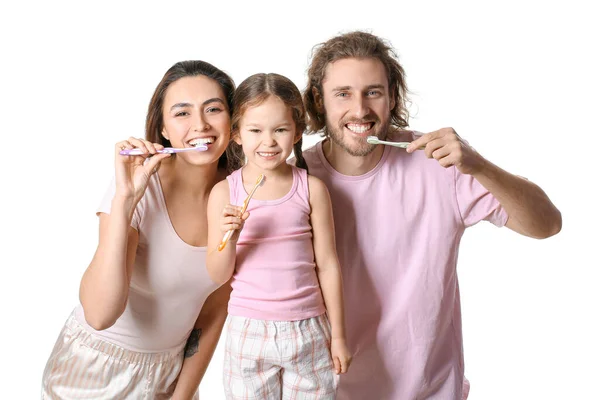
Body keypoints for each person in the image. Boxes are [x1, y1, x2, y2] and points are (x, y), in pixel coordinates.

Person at [300, 31, 562, 400]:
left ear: (392, 96)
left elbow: (547, 225)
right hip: (327, 392)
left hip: (431, 392)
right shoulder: (297, 178)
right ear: (318, 99)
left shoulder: (440, 163)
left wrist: (478, 166)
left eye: (373, 92)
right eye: (343, 93)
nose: (359, 110)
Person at [41, 60, 242, 399]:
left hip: (169, 373)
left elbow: (213, 310)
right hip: (96, 370)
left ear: (233, 121)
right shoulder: (138, 189)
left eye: (213, 109)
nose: (200, 125)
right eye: (182, 113)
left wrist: (182, 395)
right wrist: (123, 203)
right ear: (162, 128)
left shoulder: (240, 195)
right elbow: (101, 314)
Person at [206, 73, 352, 400]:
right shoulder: (223, 194)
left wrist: (339, 336)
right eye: (255, 130)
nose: (268, 142)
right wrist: (230, 236)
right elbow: (217, 274)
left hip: (310, 328)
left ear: (297, 131)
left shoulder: (312, 189)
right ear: (237, 134)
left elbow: (327, 265)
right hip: (248, 330)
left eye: (280, 130)